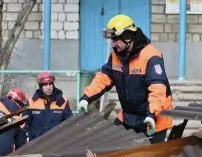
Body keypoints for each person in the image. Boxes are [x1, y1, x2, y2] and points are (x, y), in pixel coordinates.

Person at [77, 15, 173, 144]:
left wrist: (152, 114)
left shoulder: (151, 56)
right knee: (111, 148)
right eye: (112, 40)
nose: (114, 43)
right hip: (128, 116)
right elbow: (103, 77)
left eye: (116, 39)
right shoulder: (117, 55)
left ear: (127, 37)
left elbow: (158, 88)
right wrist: (86, 97)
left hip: (153, 119)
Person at [28, 72, 73, 141]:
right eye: (45, 85)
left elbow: (69, 123)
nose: (48, 87)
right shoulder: (31, 102)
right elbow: (25, 125)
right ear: (40, 86)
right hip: (35, 144)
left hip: (56, 144)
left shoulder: (62, 101)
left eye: (50, 84)